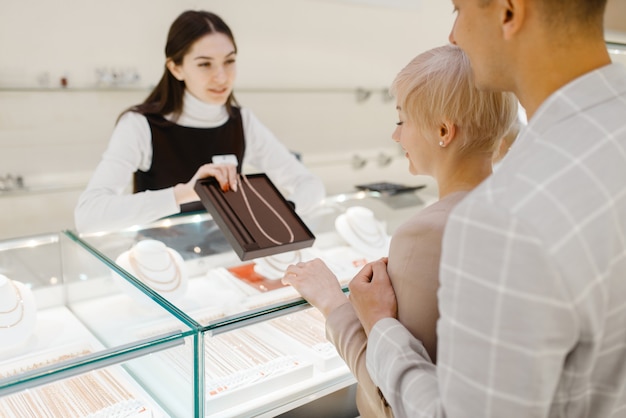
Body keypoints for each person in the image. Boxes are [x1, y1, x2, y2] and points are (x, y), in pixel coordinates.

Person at [348, 1, 626, 417]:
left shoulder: (503, 217)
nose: (453, 34)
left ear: (509, 11)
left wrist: (379, 327)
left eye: (458, 9)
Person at [282, 44, 517, 417]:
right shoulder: (516, 208)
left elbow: (394, 399)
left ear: (443, 130)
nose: (396, 136)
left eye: (401, 120)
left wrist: (333, 303)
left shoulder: (425, 234)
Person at [74, 10, 325, 234]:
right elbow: (88, 216)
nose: (221, 76)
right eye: (205, 64)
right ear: (176, 68)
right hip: (159, 261)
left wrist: (283, 212)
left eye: (229, 61)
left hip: (226, 257)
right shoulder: (140, 125)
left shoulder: (242, 120)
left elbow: (310, 184)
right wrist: (185, 192)